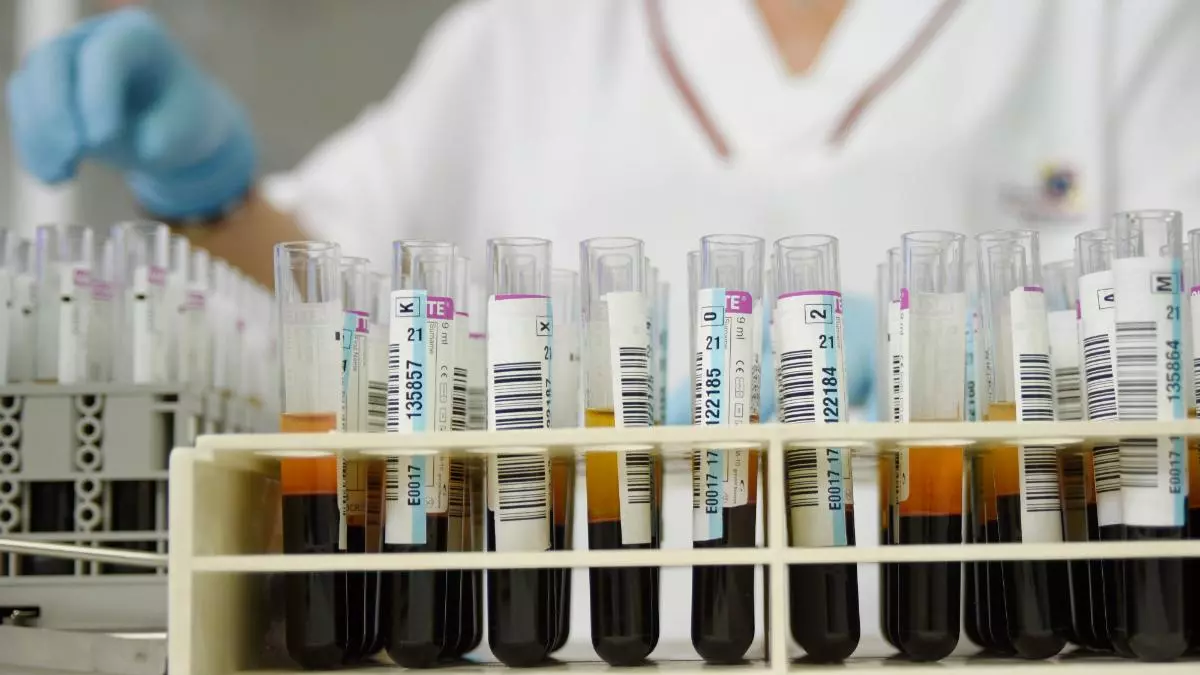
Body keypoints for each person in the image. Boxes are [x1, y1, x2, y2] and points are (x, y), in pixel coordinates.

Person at [7, 0, 1200, 424]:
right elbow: (337, 301)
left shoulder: (1114, 23)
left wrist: (966, 368)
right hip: (573, 637)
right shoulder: (531, 36)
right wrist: (206, 187)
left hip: (1020, 635)